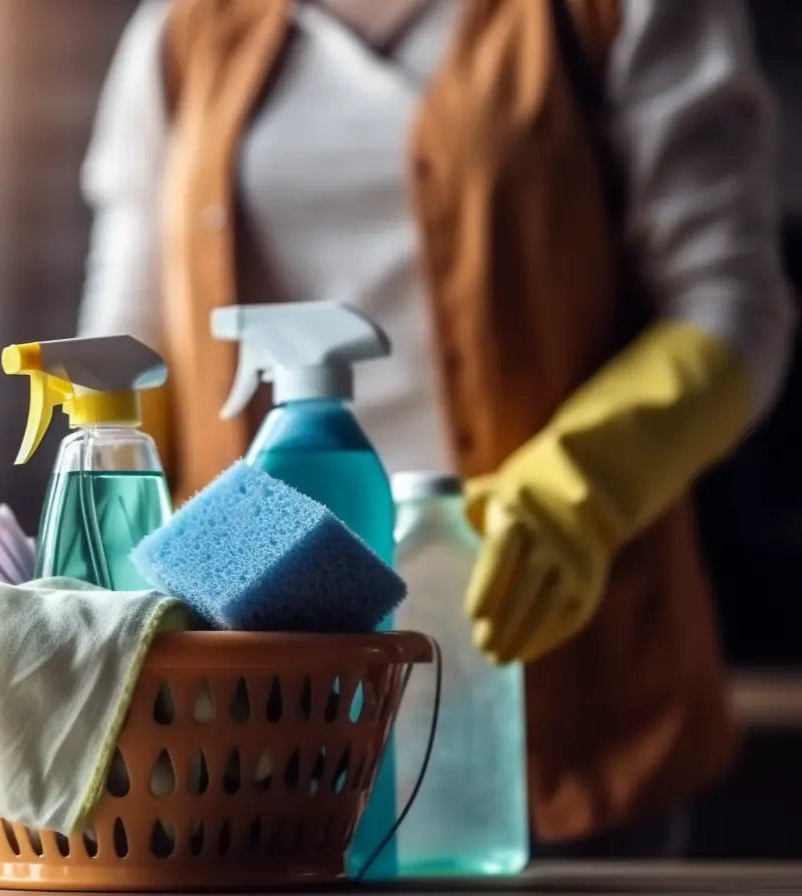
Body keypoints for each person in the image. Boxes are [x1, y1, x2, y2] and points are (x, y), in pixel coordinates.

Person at [75, 0, 796, 858]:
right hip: (256, 730)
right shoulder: (183, 34)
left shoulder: (613, 14)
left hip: (553, 683)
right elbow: (128, 355)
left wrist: (583, 486)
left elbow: (732, 307)